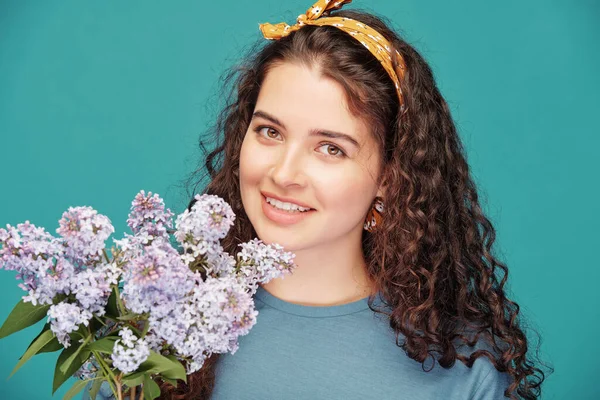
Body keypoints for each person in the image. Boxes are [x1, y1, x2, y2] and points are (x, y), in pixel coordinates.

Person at [155, 0, 547, 398]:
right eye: (270, 132)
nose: (283, 174)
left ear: (389, 176)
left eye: (330, 148)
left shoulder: (464, 372)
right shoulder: (157, 332)